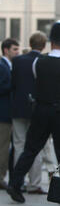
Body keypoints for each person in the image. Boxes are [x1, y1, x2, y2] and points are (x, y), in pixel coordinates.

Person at [7, 21, 60, 203]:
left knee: (31, 148)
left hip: (41, 109)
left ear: (50, 42)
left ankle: (15, 183)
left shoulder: (38, 61)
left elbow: (36, 79)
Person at [11, 31, 48, 194]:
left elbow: (14, 84)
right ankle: (34, 183)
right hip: (37, 109)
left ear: (30, 43)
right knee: (36, 147)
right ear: (44, 45)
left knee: (19, 145)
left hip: (18, 107)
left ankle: (17, 182)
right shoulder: (44, 61)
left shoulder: (17, 61)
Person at [0, 38, 20, 190]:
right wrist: (13, 84)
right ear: (6, 50)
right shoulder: (2, 66)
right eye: (14, 49)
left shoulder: (8, 65)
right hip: (3, 113)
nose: (17, 52)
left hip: (8, 112)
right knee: (3, 147)